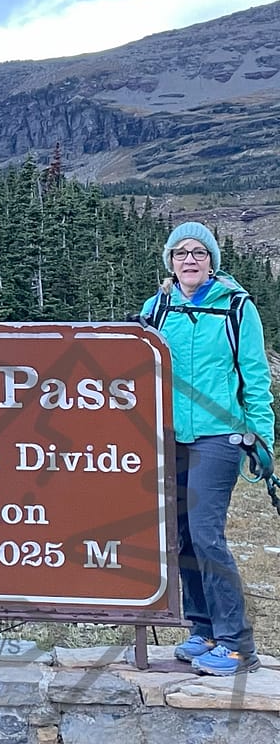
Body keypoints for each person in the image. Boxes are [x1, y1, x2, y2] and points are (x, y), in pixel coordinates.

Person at [141, 221, 275, 675]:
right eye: (180, 253)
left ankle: (237, 644)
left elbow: (255, 377)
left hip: (221, 437)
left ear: (212, 260)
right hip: (169, 439)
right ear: (170, 262)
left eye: (199, 252)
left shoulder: (237, 308)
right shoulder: (157, 308)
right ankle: (203, 630)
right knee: (179, 537)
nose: (190, 260)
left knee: (205, 533)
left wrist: (263, 440)